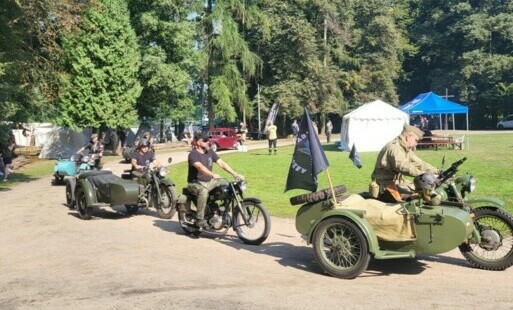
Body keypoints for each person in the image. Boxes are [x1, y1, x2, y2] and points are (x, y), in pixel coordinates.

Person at [370, 124, 439, 202]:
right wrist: (427, 176)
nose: (416, 144)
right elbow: (403, 167)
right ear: (408, 137)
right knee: (418, 199)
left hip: (398, 185)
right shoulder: (394, 148)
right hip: (385, 188)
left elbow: (419, 163)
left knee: (424, 194)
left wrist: (437, 171)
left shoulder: (404, 148)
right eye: (416, 140)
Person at [187, 134, 243, 228]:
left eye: (207, 140)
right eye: (204, 140)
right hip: (195, 183)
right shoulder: (193, 154)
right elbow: (200, 167)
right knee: (203, 191)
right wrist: (212, 174)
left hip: (210, 182)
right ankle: (199, 219)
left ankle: (222, 212)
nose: (207, 141)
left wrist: (234, 173)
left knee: (227, 186)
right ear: (198, 142)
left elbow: (221, 163)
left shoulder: (210, 152)